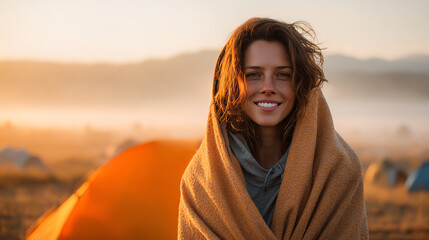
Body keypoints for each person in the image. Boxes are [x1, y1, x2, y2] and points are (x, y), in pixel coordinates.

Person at [178, 17, 369, 239]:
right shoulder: (201, 181)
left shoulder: (339, 169)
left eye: (283, 75)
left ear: (302, 84)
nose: (268, 87)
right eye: (253, 75)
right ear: (231, 84)